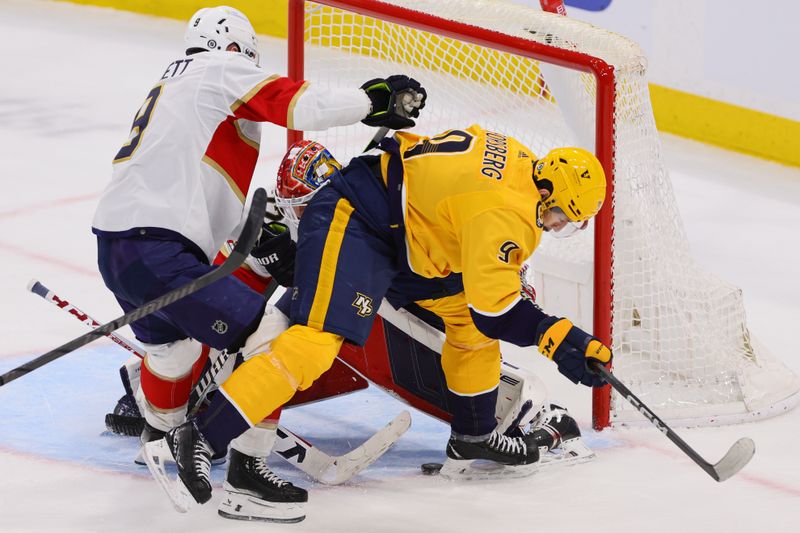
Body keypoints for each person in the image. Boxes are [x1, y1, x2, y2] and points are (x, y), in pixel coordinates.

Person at [148, 123, 612, 506]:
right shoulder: (506, 214)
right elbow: (499, 312)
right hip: (359, 222)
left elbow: (481, 298)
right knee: (313, 347)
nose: (555, 227)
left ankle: (473, 434)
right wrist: (561, 339)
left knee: (468, 326)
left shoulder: (517, 154)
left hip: (413, 238)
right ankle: (203, 437)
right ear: (546, 190)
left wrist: (555, 332)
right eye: (559, 216)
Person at [91, 5, 426, 523]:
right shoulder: (217, 70)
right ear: (236, 50)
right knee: (275, 333)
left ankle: (158, 441)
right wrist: (371, 100)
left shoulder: (176, 88)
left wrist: (255, 240)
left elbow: (205, 191)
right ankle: (247, 475)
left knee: (173, 355)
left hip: (116, 245)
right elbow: (297, 103)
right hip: (161, 248)